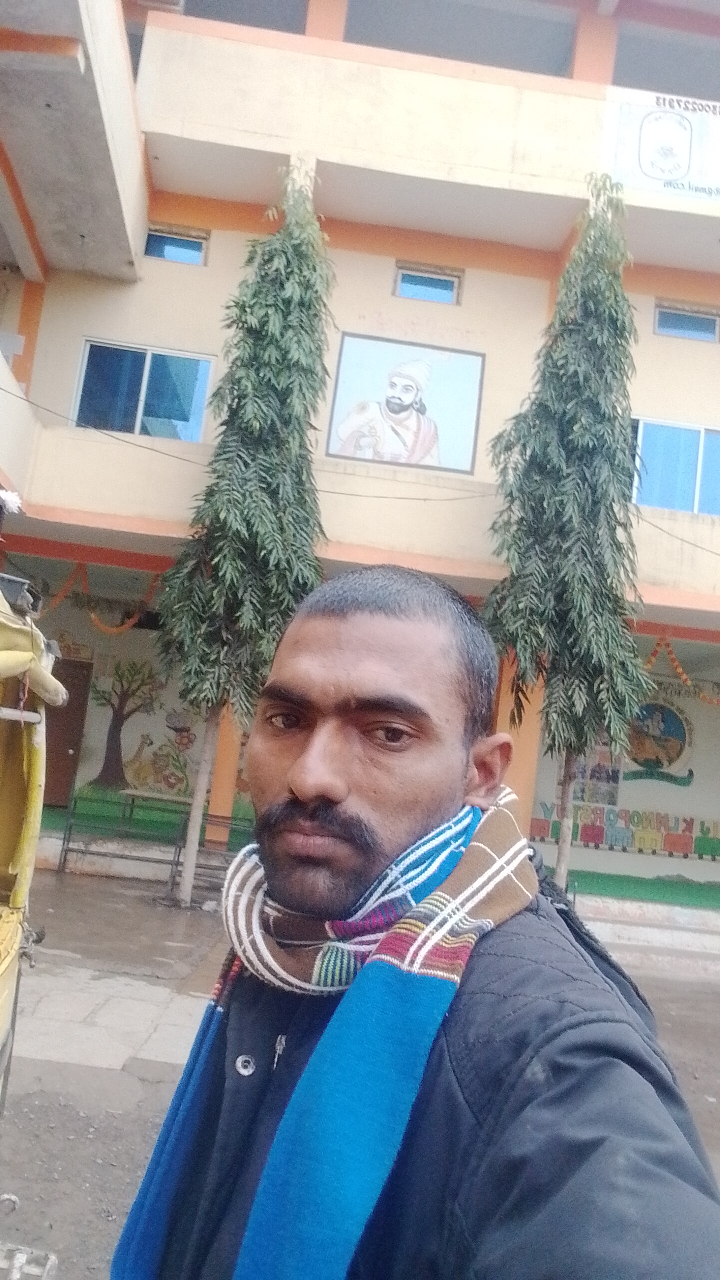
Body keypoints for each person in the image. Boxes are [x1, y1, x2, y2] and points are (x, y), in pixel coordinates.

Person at [113, 566, 720, 1280]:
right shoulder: (288, 943)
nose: (310, 776)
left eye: (388, 733)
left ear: (481, 773)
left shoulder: (549, 1049)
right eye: (286, 720)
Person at [335, 360, 440, 465]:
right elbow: (342, 431)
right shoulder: (372, 410)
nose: (396, 394)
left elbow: (432, 465)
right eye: (392, 386)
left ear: (417, 395)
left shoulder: (428, 427)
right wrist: (360, 440)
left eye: (406, 390)